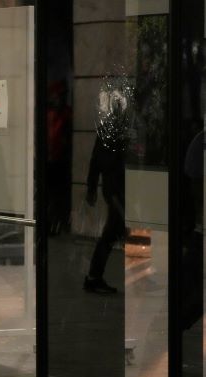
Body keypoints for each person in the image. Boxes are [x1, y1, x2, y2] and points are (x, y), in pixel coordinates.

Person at [83, 92, 128, 294]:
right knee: (113, 231)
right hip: (115, 189)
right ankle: (94, 276)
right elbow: (99, 162)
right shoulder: (112, 132)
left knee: (115, 231)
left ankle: (94, 276)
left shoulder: (116, 131)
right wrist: (92, 188)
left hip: (116, 188)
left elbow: (95, 163)